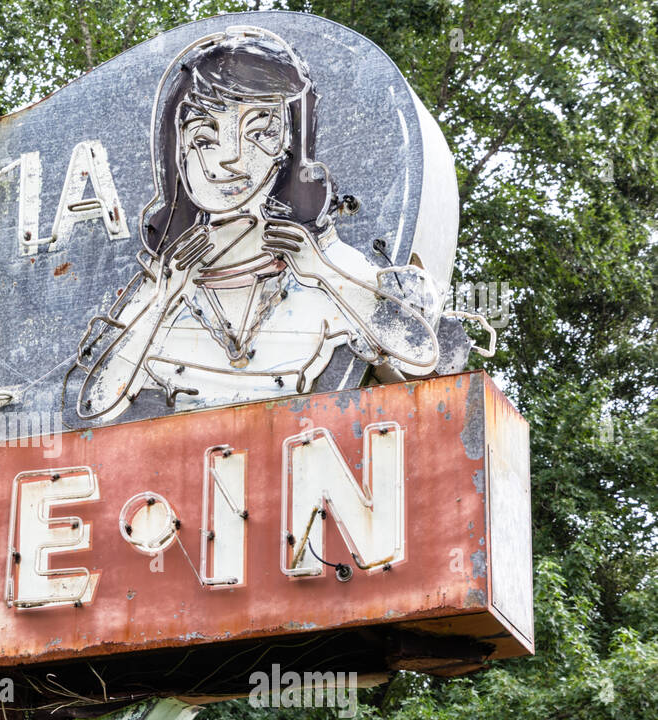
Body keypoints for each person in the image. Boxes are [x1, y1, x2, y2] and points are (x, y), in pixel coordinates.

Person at [69, 26, 448, 424]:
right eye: (204, 136)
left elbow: (422, 355)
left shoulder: (317, 257)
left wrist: (322, 272)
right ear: (174, 149)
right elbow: (94, 406)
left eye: (259, 132)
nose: (230, 158)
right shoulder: (163, 278)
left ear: (289, 147)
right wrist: (165, 297)